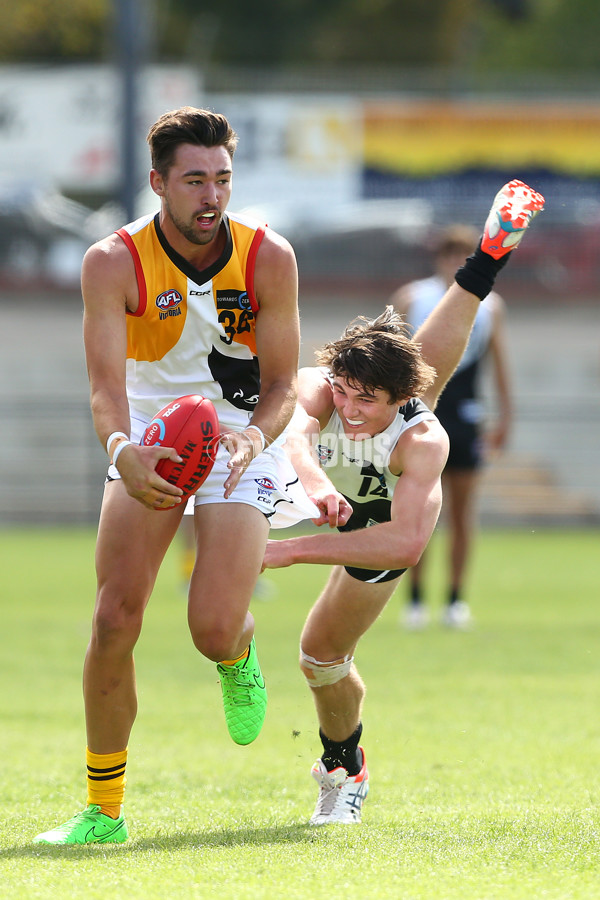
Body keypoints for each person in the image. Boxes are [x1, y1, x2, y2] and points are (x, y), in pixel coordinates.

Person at [33, 106, 326, 845]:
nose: (212, 197)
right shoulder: (111, 261)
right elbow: (105, 389)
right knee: (111, 620)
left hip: (240, 439)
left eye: (223, 179)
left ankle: (237, 652)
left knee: (212, 626)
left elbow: (286, 383)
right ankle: (103, 812)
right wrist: (121, 453)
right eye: (195, 180)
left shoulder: (269, 257)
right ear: (158, 182)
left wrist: (251, 439)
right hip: (151, 443)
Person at [262, 180, 544, 825]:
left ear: (398, 400)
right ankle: (484, 264)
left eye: (371, 401)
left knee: (320, 657)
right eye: (348, 395)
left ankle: (345, 768)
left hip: (378, 517)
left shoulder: (423, 436)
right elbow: (301, 436)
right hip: (320, 494)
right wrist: (314, 484)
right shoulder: (324, 389)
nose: (354, 412)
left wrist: (290, 552)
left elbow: (405, 545)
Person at [390, 224, 513, 630]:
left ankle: (456, 600)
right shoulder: (413, 296)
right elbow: (389, 355)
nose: (455, 264)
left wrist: (505, 416)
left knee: (462, 512)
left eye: (464, 257)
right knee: (418, 510)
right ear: (438, 259)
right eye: (449, 256)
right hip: (421, 413)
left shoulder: (491, 305)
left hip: (466, 416)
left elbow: (497, 364)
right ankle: (416, 599)